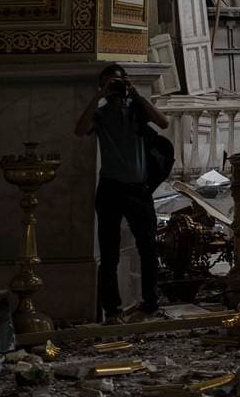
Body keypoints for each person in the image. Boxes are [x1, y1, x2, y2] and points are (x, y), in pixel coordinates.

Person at [74, 63, 170, 322]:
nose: (115, 88)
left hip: (139, 189)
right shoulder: (101, 114)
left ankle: (150, 304)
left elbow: (163, 122)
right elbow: (80, 130)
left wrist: (135, 94)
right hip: (111, 189)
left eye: (118, 82)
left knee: (148, 249)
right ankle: (113, 310)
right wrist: (99, 95)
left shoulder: (137, 110)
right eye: (110, 83)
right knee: (109, 253)